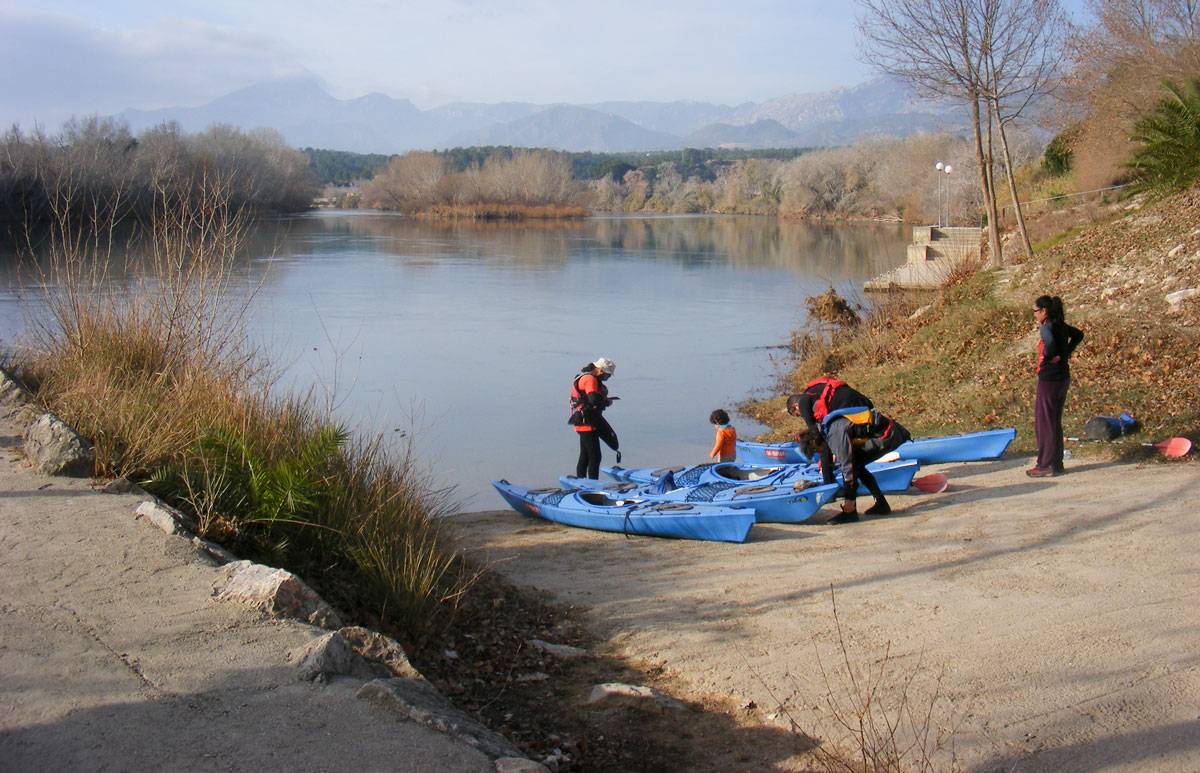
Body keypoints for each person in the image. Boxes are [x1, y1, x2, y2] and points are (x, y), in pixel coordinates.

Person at [799, 405, 911, 524]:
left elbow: (848, 468)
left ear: (816, 441)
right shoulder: (826, 427)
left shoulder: (834, 434)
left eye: (818, 450)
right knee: (855, 463)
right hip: (886, 430)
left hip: (888, 434)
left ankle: (850, 512)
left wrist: (849, 495)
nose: (821, 452)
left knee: (851, 466)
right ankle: (881, 504)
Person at [1028, 295, 1084, 478]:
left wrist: (1052, 356)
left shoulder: (1047, 327)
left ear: (1044, 311)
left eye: (1035, 311)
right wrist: (1065, 353)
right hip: (1062, 377)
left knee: (1044, 423)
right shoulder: (1061, 324)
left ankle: (1045, 464)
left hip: (1049, 379)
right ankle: (1056, 463)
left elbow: (1049, 343)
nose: (1034, 315)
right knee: (1054, 421)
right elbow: (1078, 335)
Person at [786, 377, 873, 479]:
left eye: (797, 415)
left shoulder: (802, 402)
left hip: (849, 409)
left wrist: (823, 464)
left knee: (824, 443)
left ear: (795, 406)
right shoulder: (814, 392)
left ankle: (828, 481)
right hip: (865, 404)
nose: (801, 416)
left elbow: (816, 434)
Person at [568, 358, 618, 479]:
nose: (608, 378)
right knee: (595, 456)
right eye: (608, 375)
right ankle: (593, 485)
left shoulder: (587, 377)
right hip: (586, 422)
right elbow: (593, 399)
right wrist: (607, 402)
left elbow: (591, 399)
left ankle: (581, 481)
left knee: (585, 455)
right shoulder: (590, 379)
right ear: (601, 371)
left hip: (586, 420)